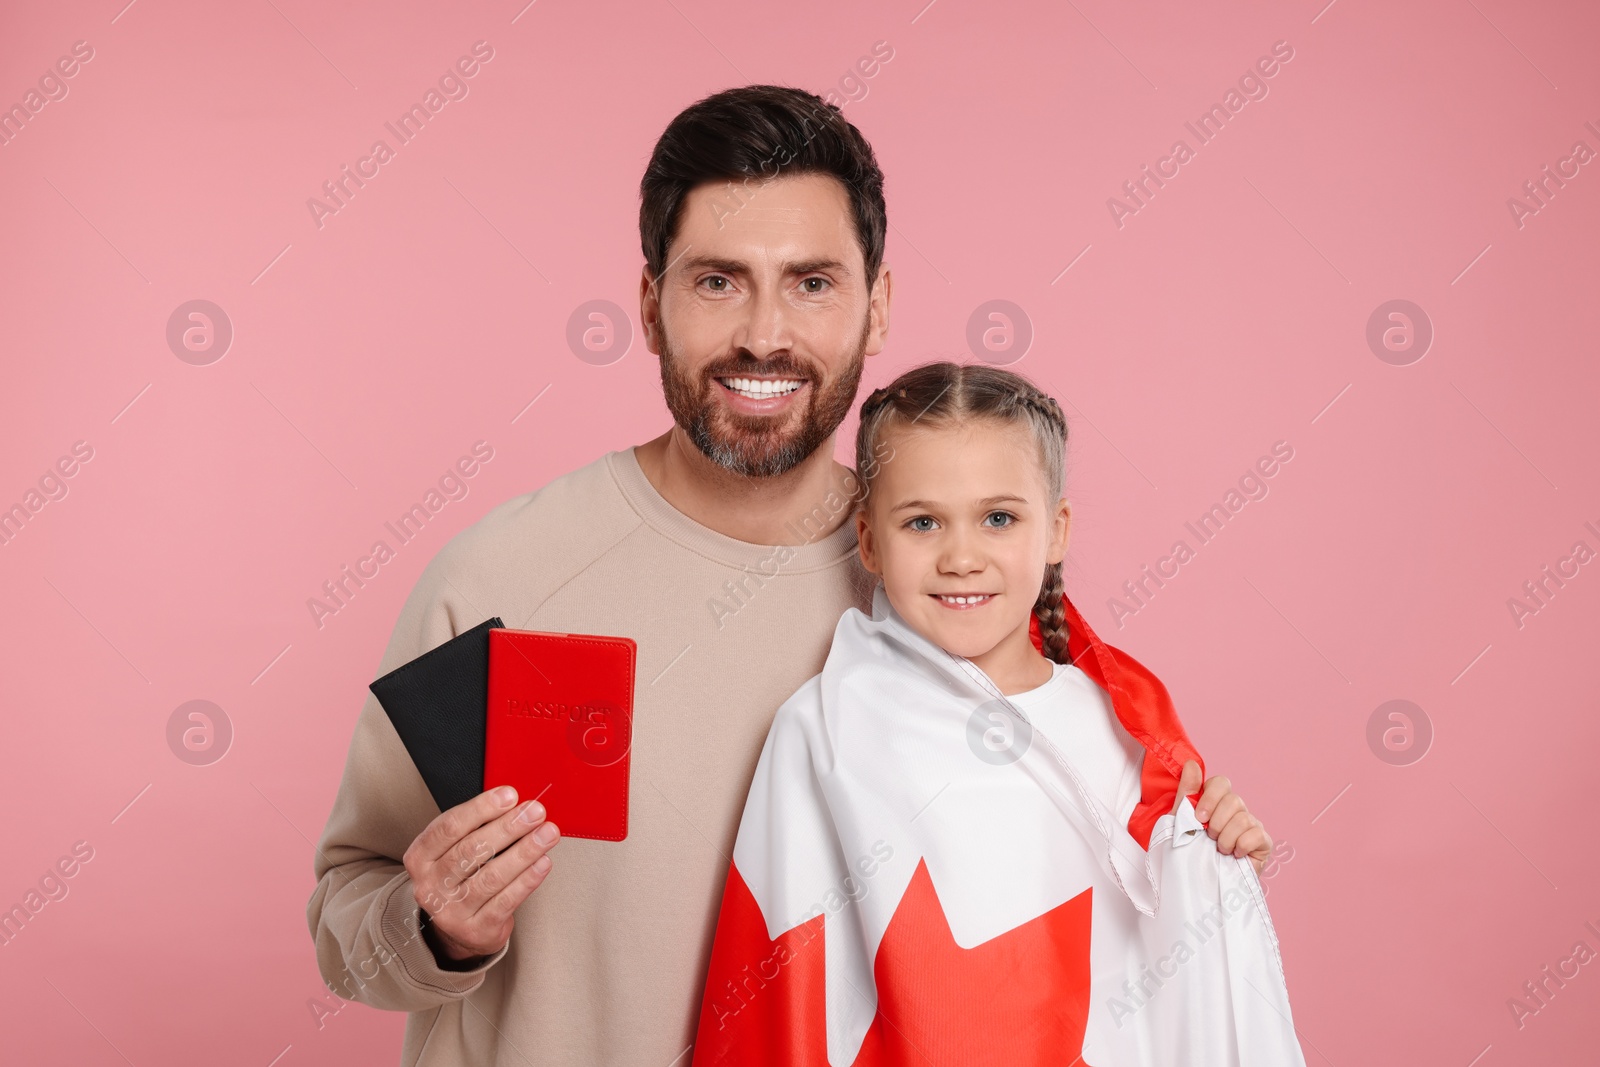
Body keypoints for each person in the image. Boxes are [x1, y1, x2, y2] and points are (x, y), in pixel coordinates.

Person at [306, 87, 1274, 1066]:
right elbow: (350, 901)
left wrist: (1197, 849)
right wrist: (438, 929)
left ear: (878, 304)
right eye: (718, 281)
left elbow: (1077, 889)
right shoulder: (497, 577)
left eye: (811, 282)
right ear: (649, 305)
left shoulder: (952, 593)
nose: (764, 333)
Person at [691, 361, 1296, 1066]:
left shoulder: (1127, 734)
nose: (961, 557)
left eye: (999, 518)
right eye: (923, 522)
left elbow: (1175, 969)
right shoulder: (826, 731)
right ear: (869, 540)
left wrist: (1220, 861)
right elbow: (780, 983)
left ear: (1057, 529)